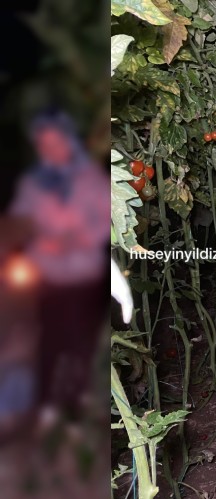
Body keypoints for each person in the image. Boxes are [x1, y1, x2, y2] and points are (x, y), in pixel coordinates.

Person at [7, 109, 109, 427]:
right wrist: (37, 235)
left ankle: (75, 402)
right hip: (49, 276)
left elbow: (104, 222)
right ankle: (45, 405)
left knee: (80, 341)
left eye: (55, 141)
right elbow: (20, 221)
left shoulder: (90, 178)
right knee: (49, 339)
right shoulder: (32, 183)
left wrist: (75, 238)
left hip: (84, 276)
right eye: (43, 143)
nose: (50, 148)